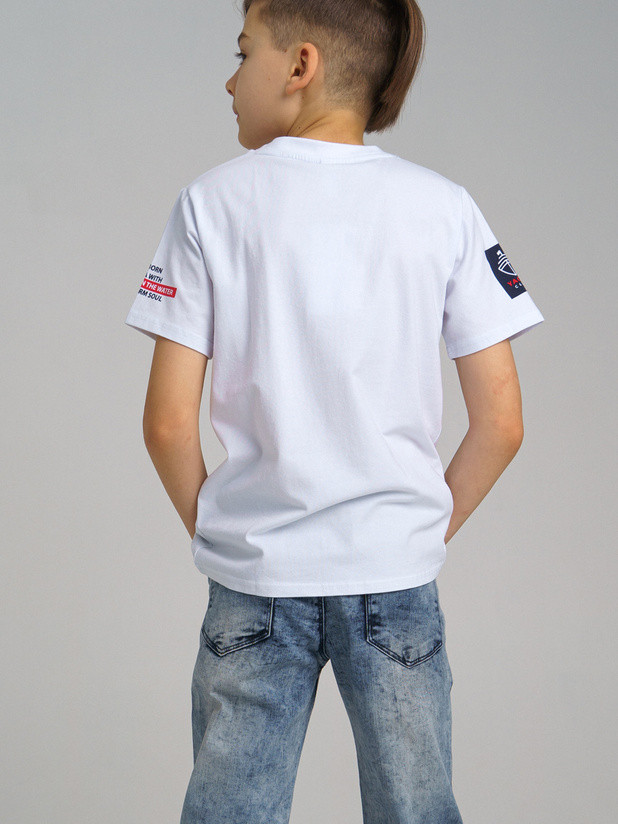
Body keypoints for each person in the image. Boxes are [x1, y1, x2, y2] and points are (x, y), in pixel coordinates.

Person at [124, 1, 545, 822]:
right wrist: (414, 530)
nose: (229, 81)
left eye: (242, 53)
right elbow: (503, 422)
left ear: (300, 65)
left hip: (254, 580)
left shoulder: (210, 203)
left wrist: (225, 537)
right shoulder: (445, 206)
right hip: (394, 576)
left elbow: (168, 423)